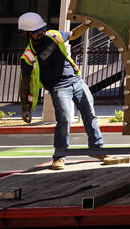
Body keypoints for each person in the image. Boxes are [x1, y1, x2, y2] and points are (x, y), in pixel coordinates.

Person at [16, 12, 104, 170]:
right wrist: (25, 108)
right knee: (64, 120)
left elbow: (73, 34)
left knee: (90, 113)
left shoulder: (54, 35)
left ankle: (97, 148)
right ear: (25, 33)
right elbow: (25, 83)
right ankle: (59, 156)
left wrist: (88, 23)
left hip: (76, 80)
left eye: (42, 28)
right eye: (35, 31)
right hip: (59, 87)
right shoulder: (28, 56)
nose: (40, 32)